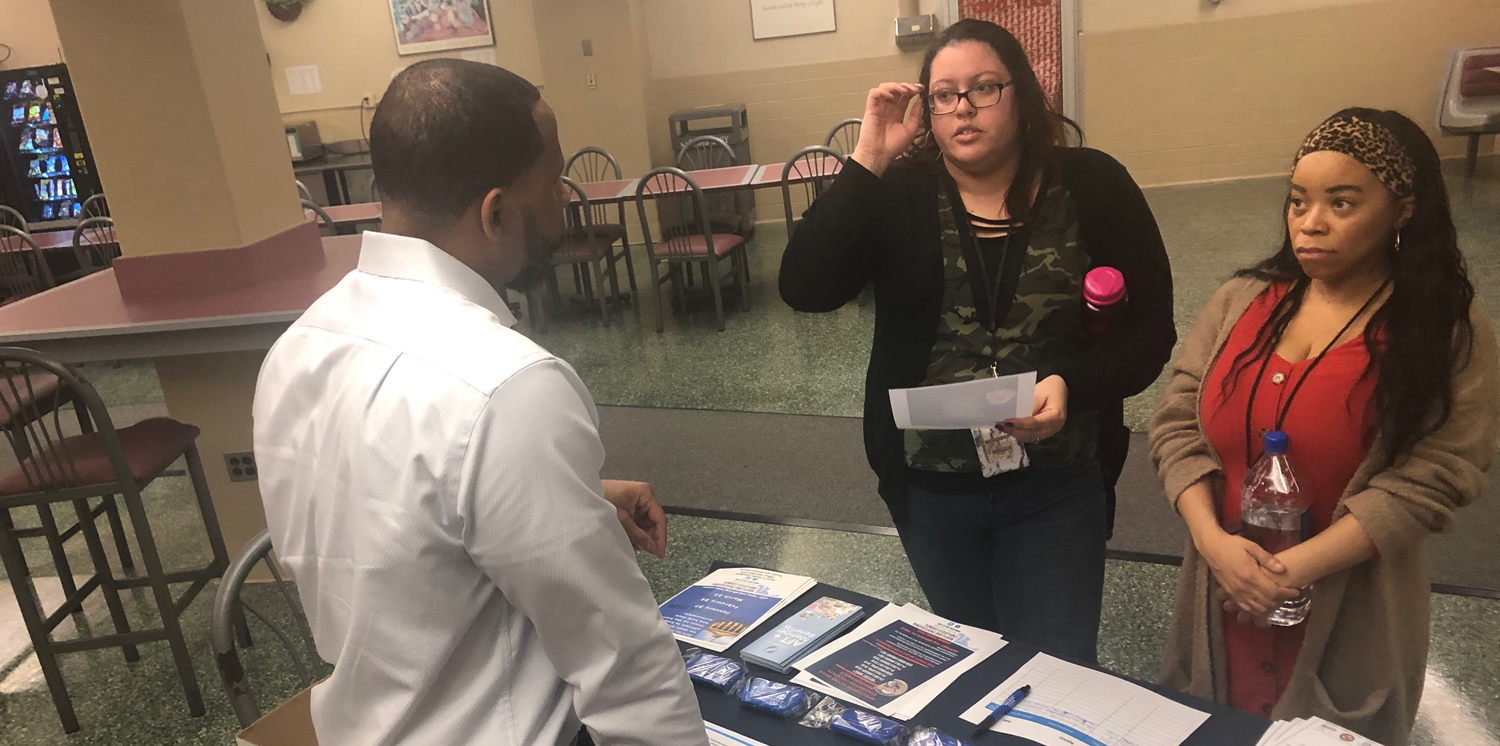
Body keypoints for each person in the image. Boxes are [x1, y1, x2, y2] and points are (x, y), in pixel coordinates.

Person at [252, 59, 708, 746]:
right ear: (495, 213)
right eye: (552, 182)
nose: (565, 200)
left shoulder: (297, 347)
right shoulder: (508, 387)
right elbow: (624, 668)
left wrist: (560, 496)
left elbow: (385, 513)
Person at [778, 19, 1175, 662]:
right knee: (972, 667)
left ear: (1021, 94)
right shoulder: (898, 192)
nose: (962, 108)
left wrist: (1072, 383)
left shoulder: (1093, 185)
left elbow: (1152, 328)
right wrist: (869, 157)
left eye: (983, 88)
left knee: (1058, 668)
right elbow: (805, 287)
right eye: (944, 95)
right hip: (929, 483)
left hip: (1058, 477)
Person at [1149, 108, 1499, 744]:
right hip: (1222, 594)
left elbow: (1436, 477)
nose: (1310, 223)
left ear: (1402, 210)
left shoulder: (1443, 331)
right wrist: (1215, 544)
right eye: (1298, 201)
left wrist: (1283, 575)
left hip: (1348, 613)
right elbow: (1177, 423)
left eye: (1341, 203)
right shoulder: (1242, 302)